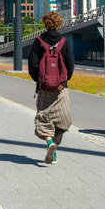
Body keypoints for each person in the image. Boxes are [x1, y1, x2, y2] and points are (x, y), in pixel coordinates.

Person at [28, 12, 74, 164]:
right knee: (62, 120)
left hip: (44, 88)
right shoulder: (64, 42)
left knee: (43, 117)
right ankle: (54, 152)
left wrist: (41, 81)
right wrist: (62, 82)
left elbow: (33, 66)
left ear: (45, 24)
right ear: (59, 23)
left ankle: (49, 142)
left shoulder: (38, 42)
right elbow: (70, 66)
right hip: (61, 89)